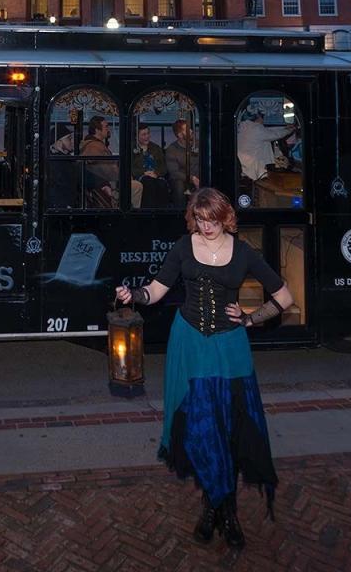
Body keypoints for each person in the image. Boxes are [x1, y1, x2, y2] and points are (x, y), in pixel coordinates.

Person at [116, 188, 293, 549]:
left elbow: (285, 298)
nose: (206, 226)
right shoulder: (184, 247)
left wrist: (250, 318)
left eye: (212, 219)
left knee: (231, 427)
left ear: (224, 216)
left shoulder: (243, 252)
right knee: (200, 426)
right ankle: (215, 508)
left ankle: (223, 509)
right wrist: (133, 295)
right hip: (190, 342)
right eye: (199, 219)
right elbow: (157, 290)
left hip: (230, 347)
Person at [236, 110, 293, 182]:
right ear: (258, 117)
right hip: (253, 167)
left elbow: (268, 130)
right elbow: (275, 134)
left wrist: (284, 128)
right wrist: (289, 130)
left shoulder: (243, 127)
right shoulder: (256, 129)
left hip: (244, 165)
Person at [79, 115, 118, 206]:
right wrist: (122, 175)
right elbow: (104, 169)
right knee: (137, 187)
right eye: (106, 127)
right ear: (97, 130)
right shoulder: (94, 147)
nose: (108, 129)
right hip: (105, 182)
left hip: (106, 180)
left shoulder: (98, 145)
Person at [130, 123, 168, 209]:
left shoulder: (156, 148)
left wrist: (156, 173)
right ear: (136, 136)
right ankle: (147, 213)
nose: (147, 136)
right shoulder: (131, 149)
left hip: (156, 175)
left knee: (162, 185)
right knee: (149, 183)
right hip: (141, 176)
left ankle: (161, 215)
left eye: (148, 133)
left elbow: (164, 167)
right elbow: (130, 167)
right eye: (144, 134)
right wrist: (144, 172)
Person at [165, 118, 200, 207]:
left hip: (200, 177)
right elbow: (174, 172)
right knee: (178, 185)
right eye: (188, 130)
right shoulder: (171, 150)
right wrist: (192, 179)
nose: (191, 131)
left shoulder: (199, 144)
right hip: (183, 180)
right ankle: (180, 215)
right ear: (180, 135)